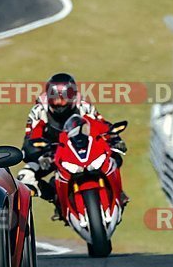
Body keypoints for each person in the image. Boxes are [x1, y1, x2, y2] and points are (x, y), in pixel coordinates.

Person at [16, 73, 128, 219]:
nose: (60, 102)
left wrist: (114, 139)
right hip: (52, 153)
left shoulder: (83, 105)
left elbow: (101, 125)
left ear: (73, 95)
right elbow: (30, 139)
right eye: (55, 98)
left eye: (64, 97)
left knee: (115, 156)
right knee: (24, 177)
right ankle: (56, 198)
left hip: (83, 147)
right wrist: (38, 153)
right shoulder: (39, 110)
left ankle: (117, 192)